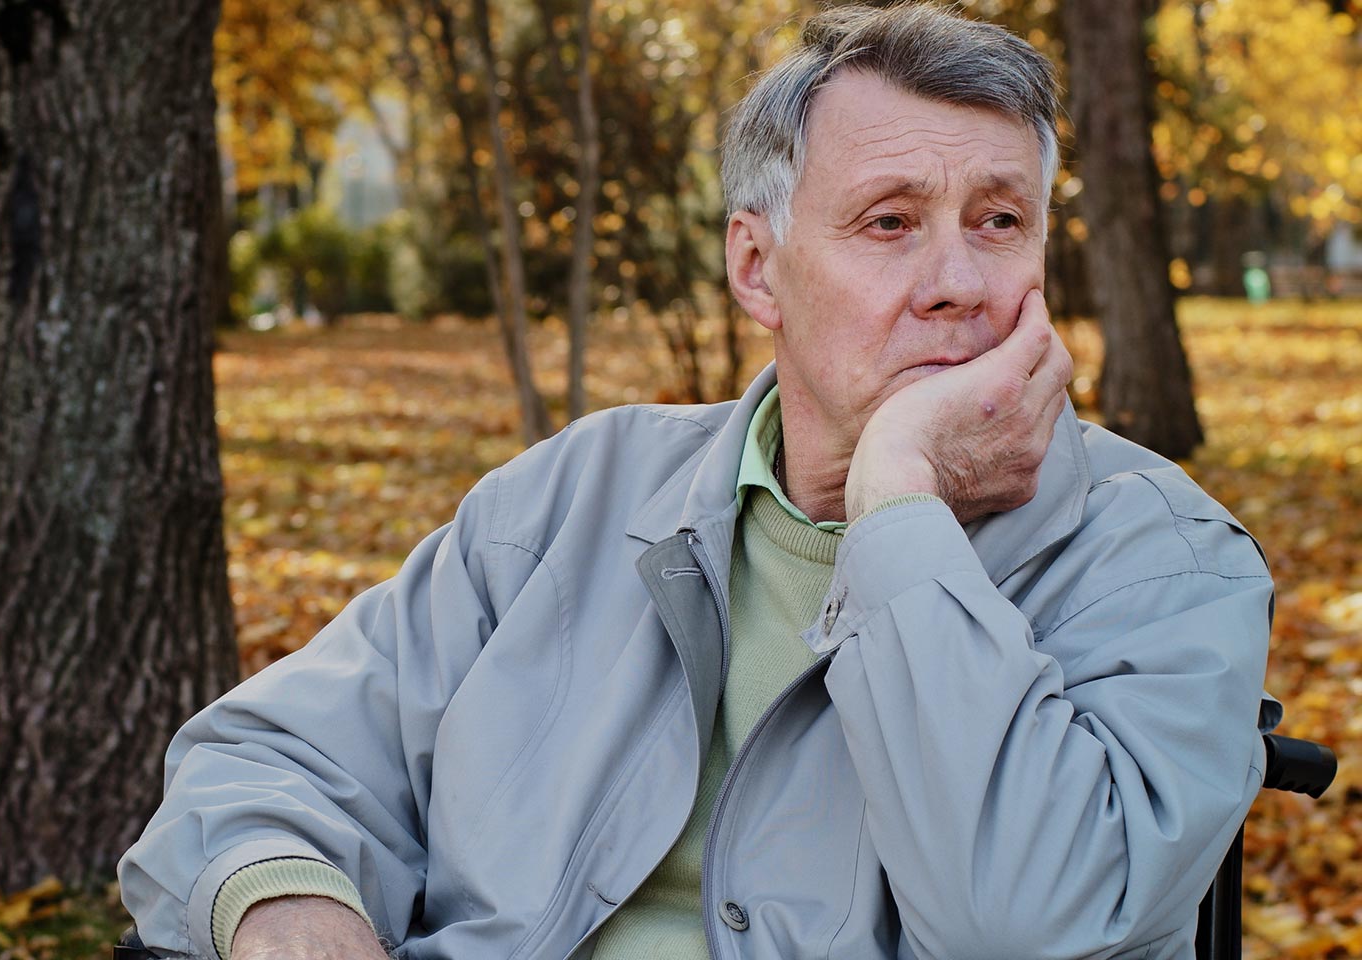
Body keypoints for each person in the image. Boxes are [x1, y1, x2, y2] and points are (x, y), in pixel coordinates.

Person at [119, 4, 1277, 958]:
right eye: (890, 223)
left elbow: (1025, 923)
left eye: (1000, 221)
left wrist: (900, 505)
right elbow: (267, 758)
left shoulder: (1165, 561)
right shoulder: (575, 495)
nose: (957, 282)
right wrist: (290, 910)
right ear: (755, 266)